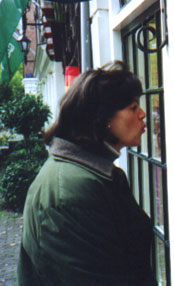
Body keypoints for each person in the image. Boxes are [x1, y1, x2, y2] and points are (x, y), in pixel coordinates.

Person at [17, 61, 156, 286]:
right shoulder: (70, 192)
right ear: (104, 117)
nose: (142, 114)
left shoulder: (91, 174)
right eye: (132, 107)